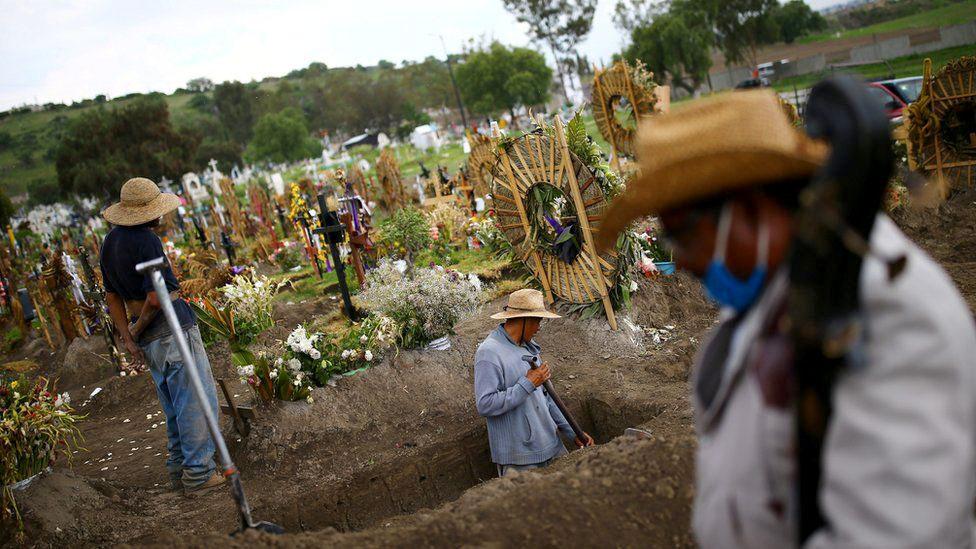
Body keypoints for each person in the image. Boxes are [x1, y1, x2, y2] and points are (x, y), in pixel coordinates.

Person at [598, 90, 976, 547]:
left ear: (753, 207)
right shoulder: (776, 294)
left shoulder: (885, 311)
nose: (684, 261)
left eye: (683, 235)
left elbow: (897, 532)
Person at [100, 177, 224, 496]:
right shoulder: (146, 240)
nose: (162, 215)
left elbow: (111, 295)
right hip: (171, 331)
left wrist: (128, 336)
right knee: (194, 400)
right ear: (148, 212)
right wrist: (139, 327)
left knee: (173, 404)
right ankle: (198, 473)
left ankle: (178, 468)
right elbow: (157, 298)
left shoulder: (110, 243)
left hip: (149, 339)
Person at [474, 288, 594, 477]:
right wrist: (528, 383)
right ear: (523, 319)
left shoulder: (529, 347)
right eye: (537, 320)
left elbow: (548, 397)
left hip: (552, 447)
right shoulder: (489, 353)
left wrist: (574, 433)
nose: (539, 327)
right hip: (520, 460)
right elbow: (485, 404)